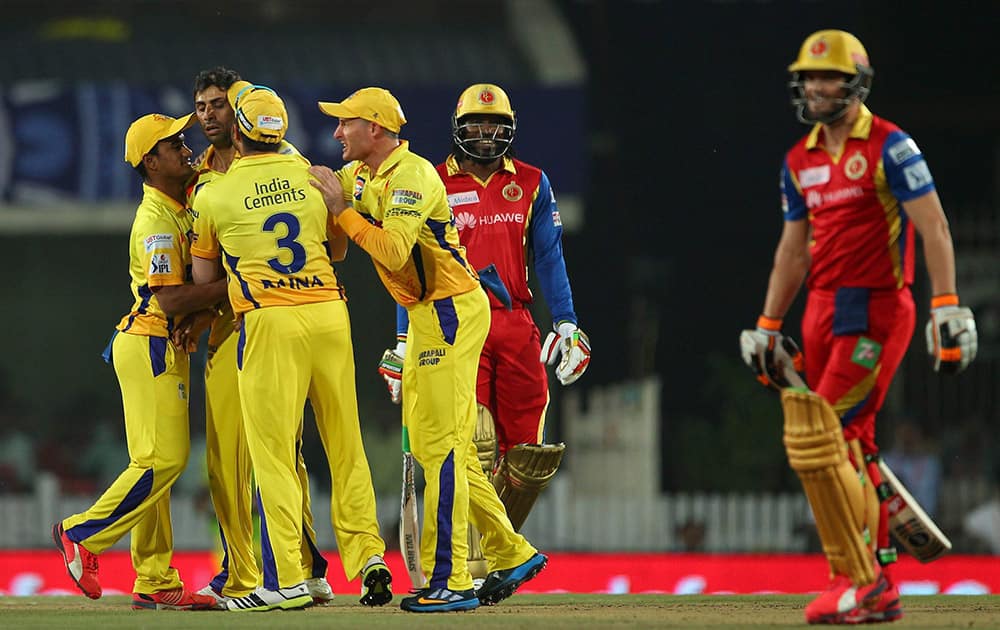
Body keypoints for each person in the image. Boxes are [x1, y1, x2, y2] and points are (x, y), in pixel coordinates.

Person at [740, 30, 978, 625]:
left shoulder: (891, 146)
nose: (819, 88)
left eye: (831, 79)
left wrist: (945, 305)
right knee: (850, 441)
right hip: (819, 308)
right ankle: (875, 580)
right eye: (811, 79)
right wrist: (769, 324)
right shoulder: (799, 160)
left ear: (856, 84)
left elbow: (935, 228)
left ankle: (861, 581)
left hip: (875, 307)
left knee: (820, 434)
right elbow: (793, 253)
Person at [309, 86, 547, 613]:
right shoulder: (363, 175)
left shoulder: (414, 174)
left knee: (440, 447)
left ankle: (452, 580)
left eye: (344, 123)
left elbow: (393, 250)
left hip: (450, 309)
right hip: (426, 313)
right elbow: (332, 214)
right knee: (441, 446)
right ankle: (511, 551)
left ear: (374, 128)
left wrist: (341, 212)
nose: (335, 133)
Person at [190, 83, 392, 612]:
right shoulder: (314, 177)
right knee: (345, 443)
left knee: (274, 454)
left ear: (237, 132)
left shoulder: (213, 193)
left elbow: (205, 276)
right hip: (329, 312)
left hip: (268, 321)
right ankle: (369, 554)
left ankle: (286, 580)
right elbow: (340, 249)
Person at [379, 83, 590, 579]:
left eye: (496, 125)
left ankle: (497, 553)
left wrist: (567, 323)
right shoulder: (429, 179)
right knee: (469, 442)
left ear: (510, 129)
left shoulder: (534, 182)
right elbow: (408, 264)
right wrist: (402, 340)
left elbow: (550, 257)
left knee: (529, 459)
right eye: (475, 123)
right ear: (458, 127)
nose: (486, 133)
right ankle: (464, 566)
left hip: (516, 322)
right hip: (451, 321)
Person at [52, 112, 228, 611]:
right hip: (150, 342)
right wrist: (236, 286)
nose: (185, 147)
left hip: (161, 344)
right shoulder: (154, 221)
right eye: (174, 144)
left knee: (152, 464)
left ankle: (153, 578)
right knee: (164, 461)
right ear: (151, 162)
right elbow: (171, 300)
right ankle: (80, 534)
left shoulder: (179, 204)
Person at [179, 66, 335, 607]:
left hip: (274, 322)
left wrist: (247, 281)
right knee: (226, 463)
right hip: (228, 331)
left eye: (219, 104)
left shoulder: (282, 160)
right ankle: (239, 573)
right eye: (201, 106)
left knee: (283, 455)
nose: (209, 114)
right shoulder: (197, 176)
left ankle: (302, 569)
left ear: (240, 108)